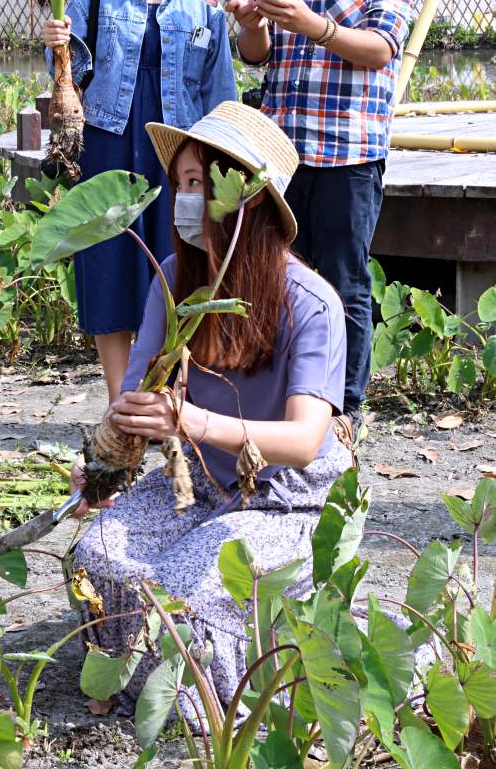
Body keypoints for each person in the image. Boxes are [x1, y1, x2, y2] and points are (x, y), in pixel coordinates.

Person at [69, 100, 351, 719]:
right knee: (97, 554)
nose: (185, 200)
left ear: (249, 201)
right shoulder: (173, 276)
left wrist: (190, 422)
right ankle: (141, 677)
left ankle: (206, 685)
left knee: (184, 589)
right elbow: (137, 396)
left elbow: (306, 439)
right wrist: (101, 465)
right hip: (199, 481)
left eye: (202, 184)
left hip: (285, 498)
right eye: (182, 184)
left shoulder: (313, 303)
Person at [226, 0, 418, 440]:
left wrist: (318, 26)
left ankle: (343, 412)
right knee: (274, 275)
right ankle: (284, 398)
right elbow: (258, 58)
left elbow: (381, 50)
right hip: (279, 151)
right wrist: (252, 24)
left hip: (347, 151)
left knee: (343, 282)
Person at [41, 0, 236, 403]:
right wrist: (57, 40)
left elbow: (221, 94)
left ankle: (171, 396)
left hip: (180, 152)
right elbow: (69, 72)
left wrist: (224, 168)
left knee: (181, 265)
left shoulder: (206, 8)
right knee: (109, 265)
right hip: (110, 142)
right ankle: (120, 401)